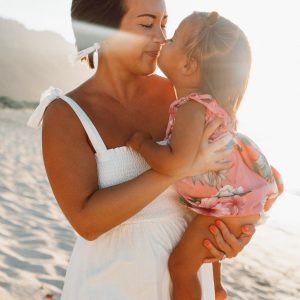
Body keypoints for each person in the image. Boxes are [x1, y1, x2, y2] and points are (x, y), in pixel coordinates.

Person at [27, 1, 257, 299]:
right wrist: (180, 167)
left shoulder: (183, 97)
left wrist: (226, 242)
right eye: (147, 24)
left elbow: (218, 187)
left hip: (188, 282)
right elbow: (87, 222)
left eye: (164, 24)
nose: (162, 37)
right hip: (112, 283)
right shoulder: (66, 113)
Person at [127, 11, 284, 300]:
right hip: (229, 203)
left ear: (188, 65)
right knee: (202, 251)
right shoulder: (210, 105)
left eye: (172, 39)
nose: (164, 40)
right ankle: (218, 291)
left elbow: (175, 163)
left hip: (226, 206)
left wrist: (142, 145)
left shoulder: (191, 107)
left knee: (181, 267)